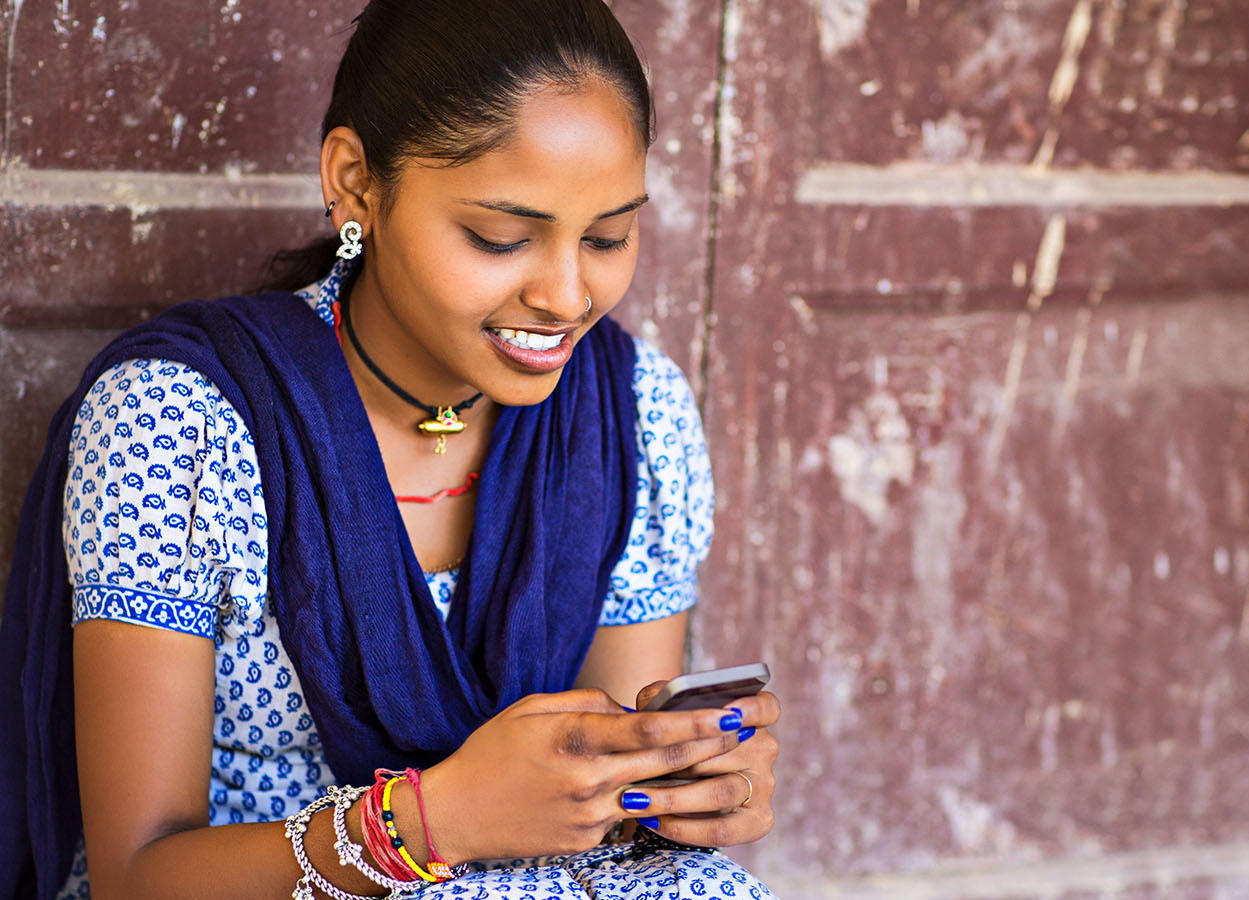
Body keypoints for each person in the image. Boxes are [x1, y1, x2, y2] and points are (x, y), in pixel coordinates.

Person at [0, 1, 781, 898]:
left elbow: (619, 794)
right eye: (501, 237)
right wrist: (435, 819)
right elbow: (140, 877)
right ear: (356, 181)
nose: (568, 296)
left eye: (608, 237)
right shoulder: (182, 424)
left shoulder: (624, 412)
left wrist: (685, 788)